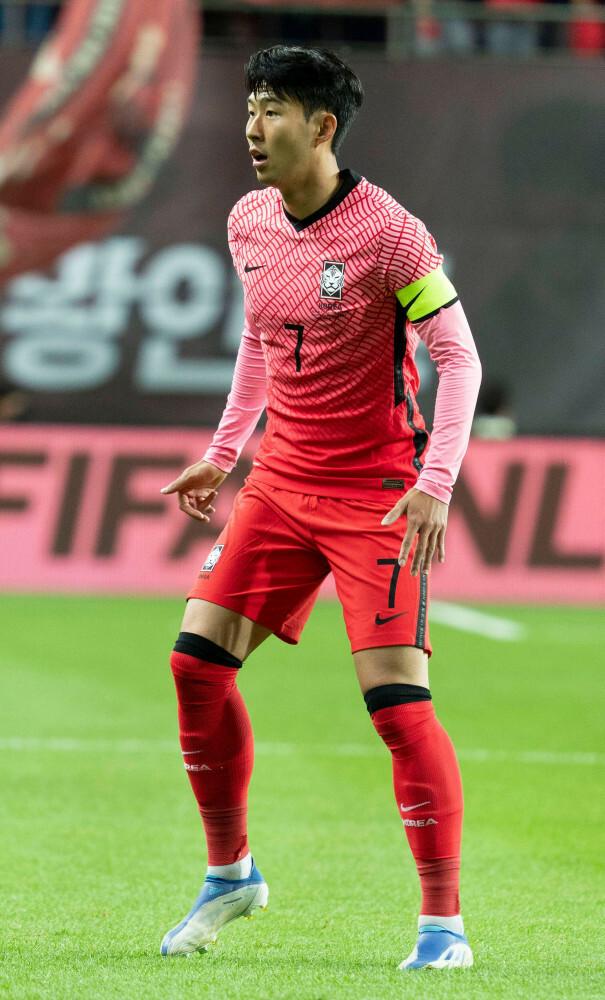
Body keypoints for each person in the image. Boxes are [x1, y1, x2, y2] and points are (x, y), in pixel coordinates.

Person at [159, 45, 482, 971]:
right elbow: (261, 342)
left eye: (272, 111)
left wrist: (433, 486)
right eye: (250, 107)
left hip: (374, 496)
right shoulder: (249, 219)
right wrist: (223, 455)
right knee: (193, 666)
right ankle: (231, 875)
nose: (253, 130)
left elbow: (457, 360)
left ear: (322, 126)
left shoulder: (391, 235)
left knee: (396, 707)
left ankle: (442, 926)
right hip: (278, 485)